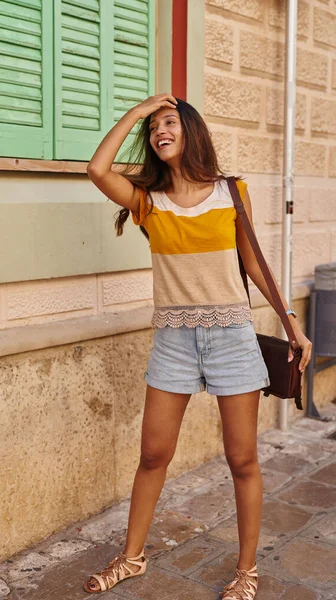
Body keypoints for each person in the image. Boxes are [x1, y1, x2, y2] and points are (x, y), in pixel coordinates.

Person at [84, 94, 312, 598]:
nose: (159, 132)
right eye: (154, 128)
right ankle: (133, 558)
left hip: (231, 336)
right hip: (173, 341)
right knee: (153, 456)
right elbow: (97, 169)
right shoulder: (147, 202)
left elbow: (254, 264)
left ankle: (246, 571)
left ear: (191, 131)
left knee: (242, 459)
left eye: (170, 123)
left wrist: (291, 322)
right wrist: (137, 114)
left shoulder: (232, 192)